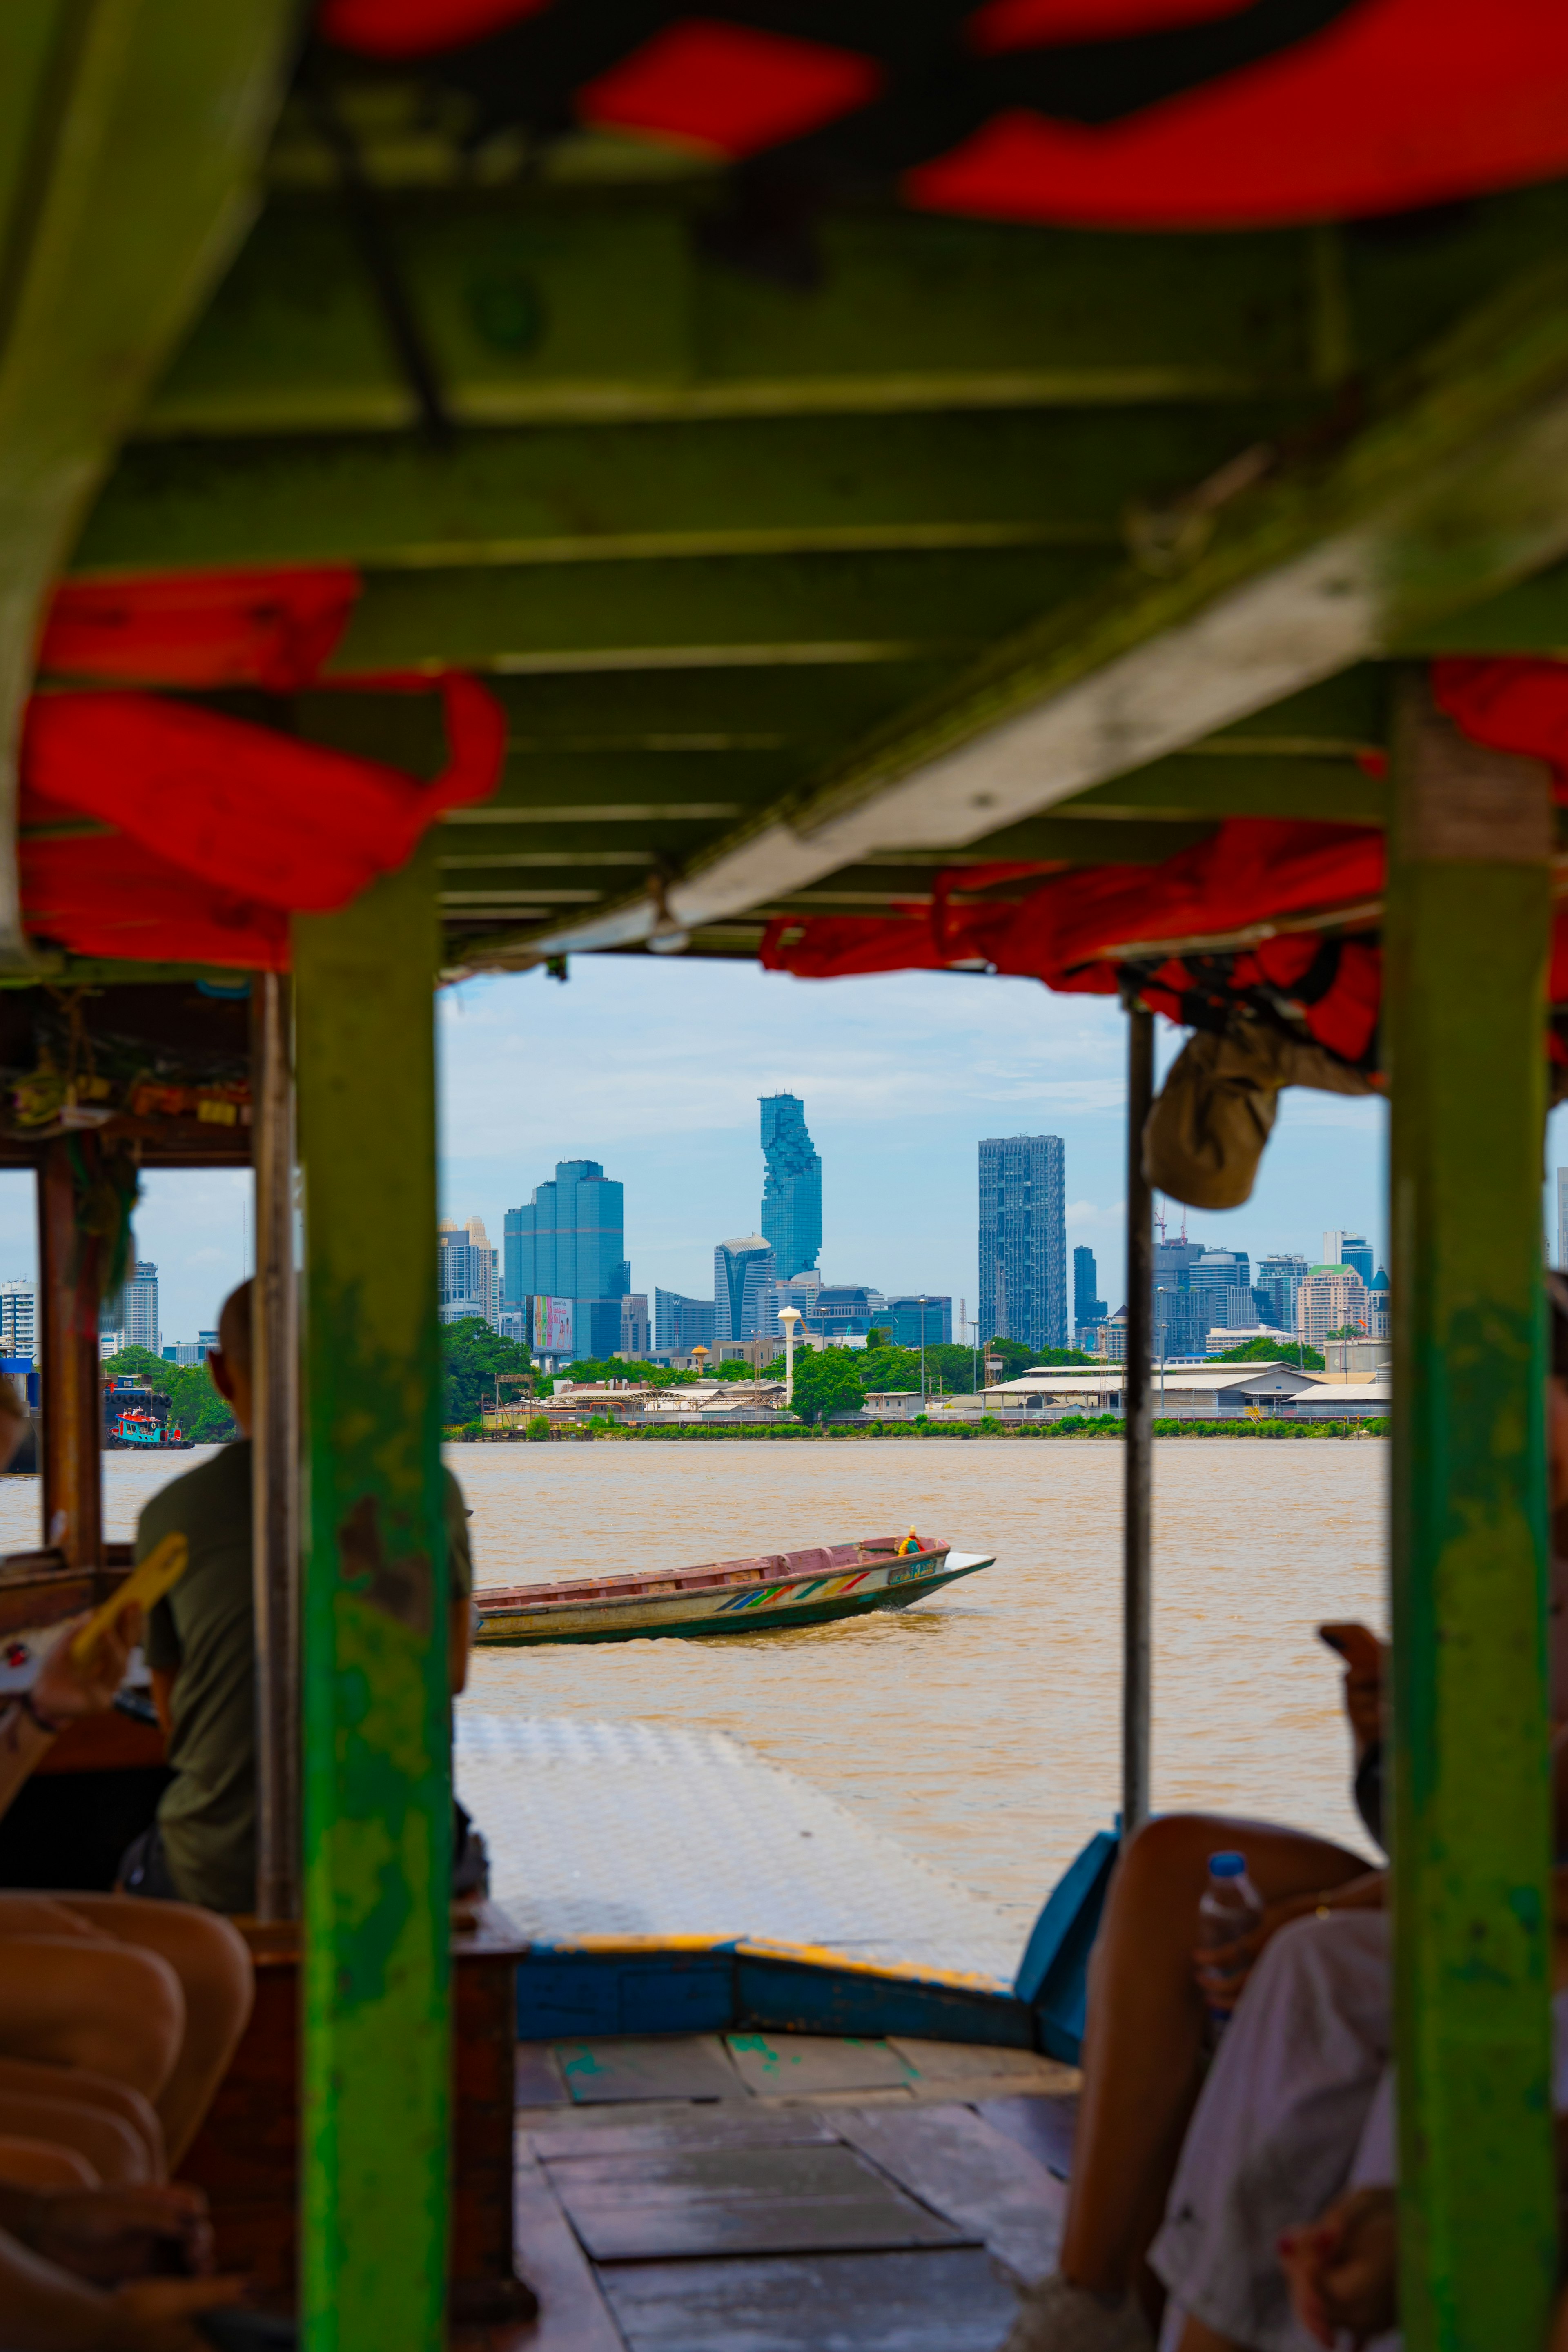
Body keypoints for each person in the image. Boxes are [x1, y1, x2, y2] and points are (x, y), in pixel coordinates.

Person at [121, 1279, 476, 1913]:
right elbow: (448, 1673)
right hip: (397, 1855)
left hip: (219, 1869)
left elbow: (176, 1726)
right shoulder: (427, 1490)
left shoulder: (170, 1516)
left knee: (128, 1872)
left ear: (219, 1374)